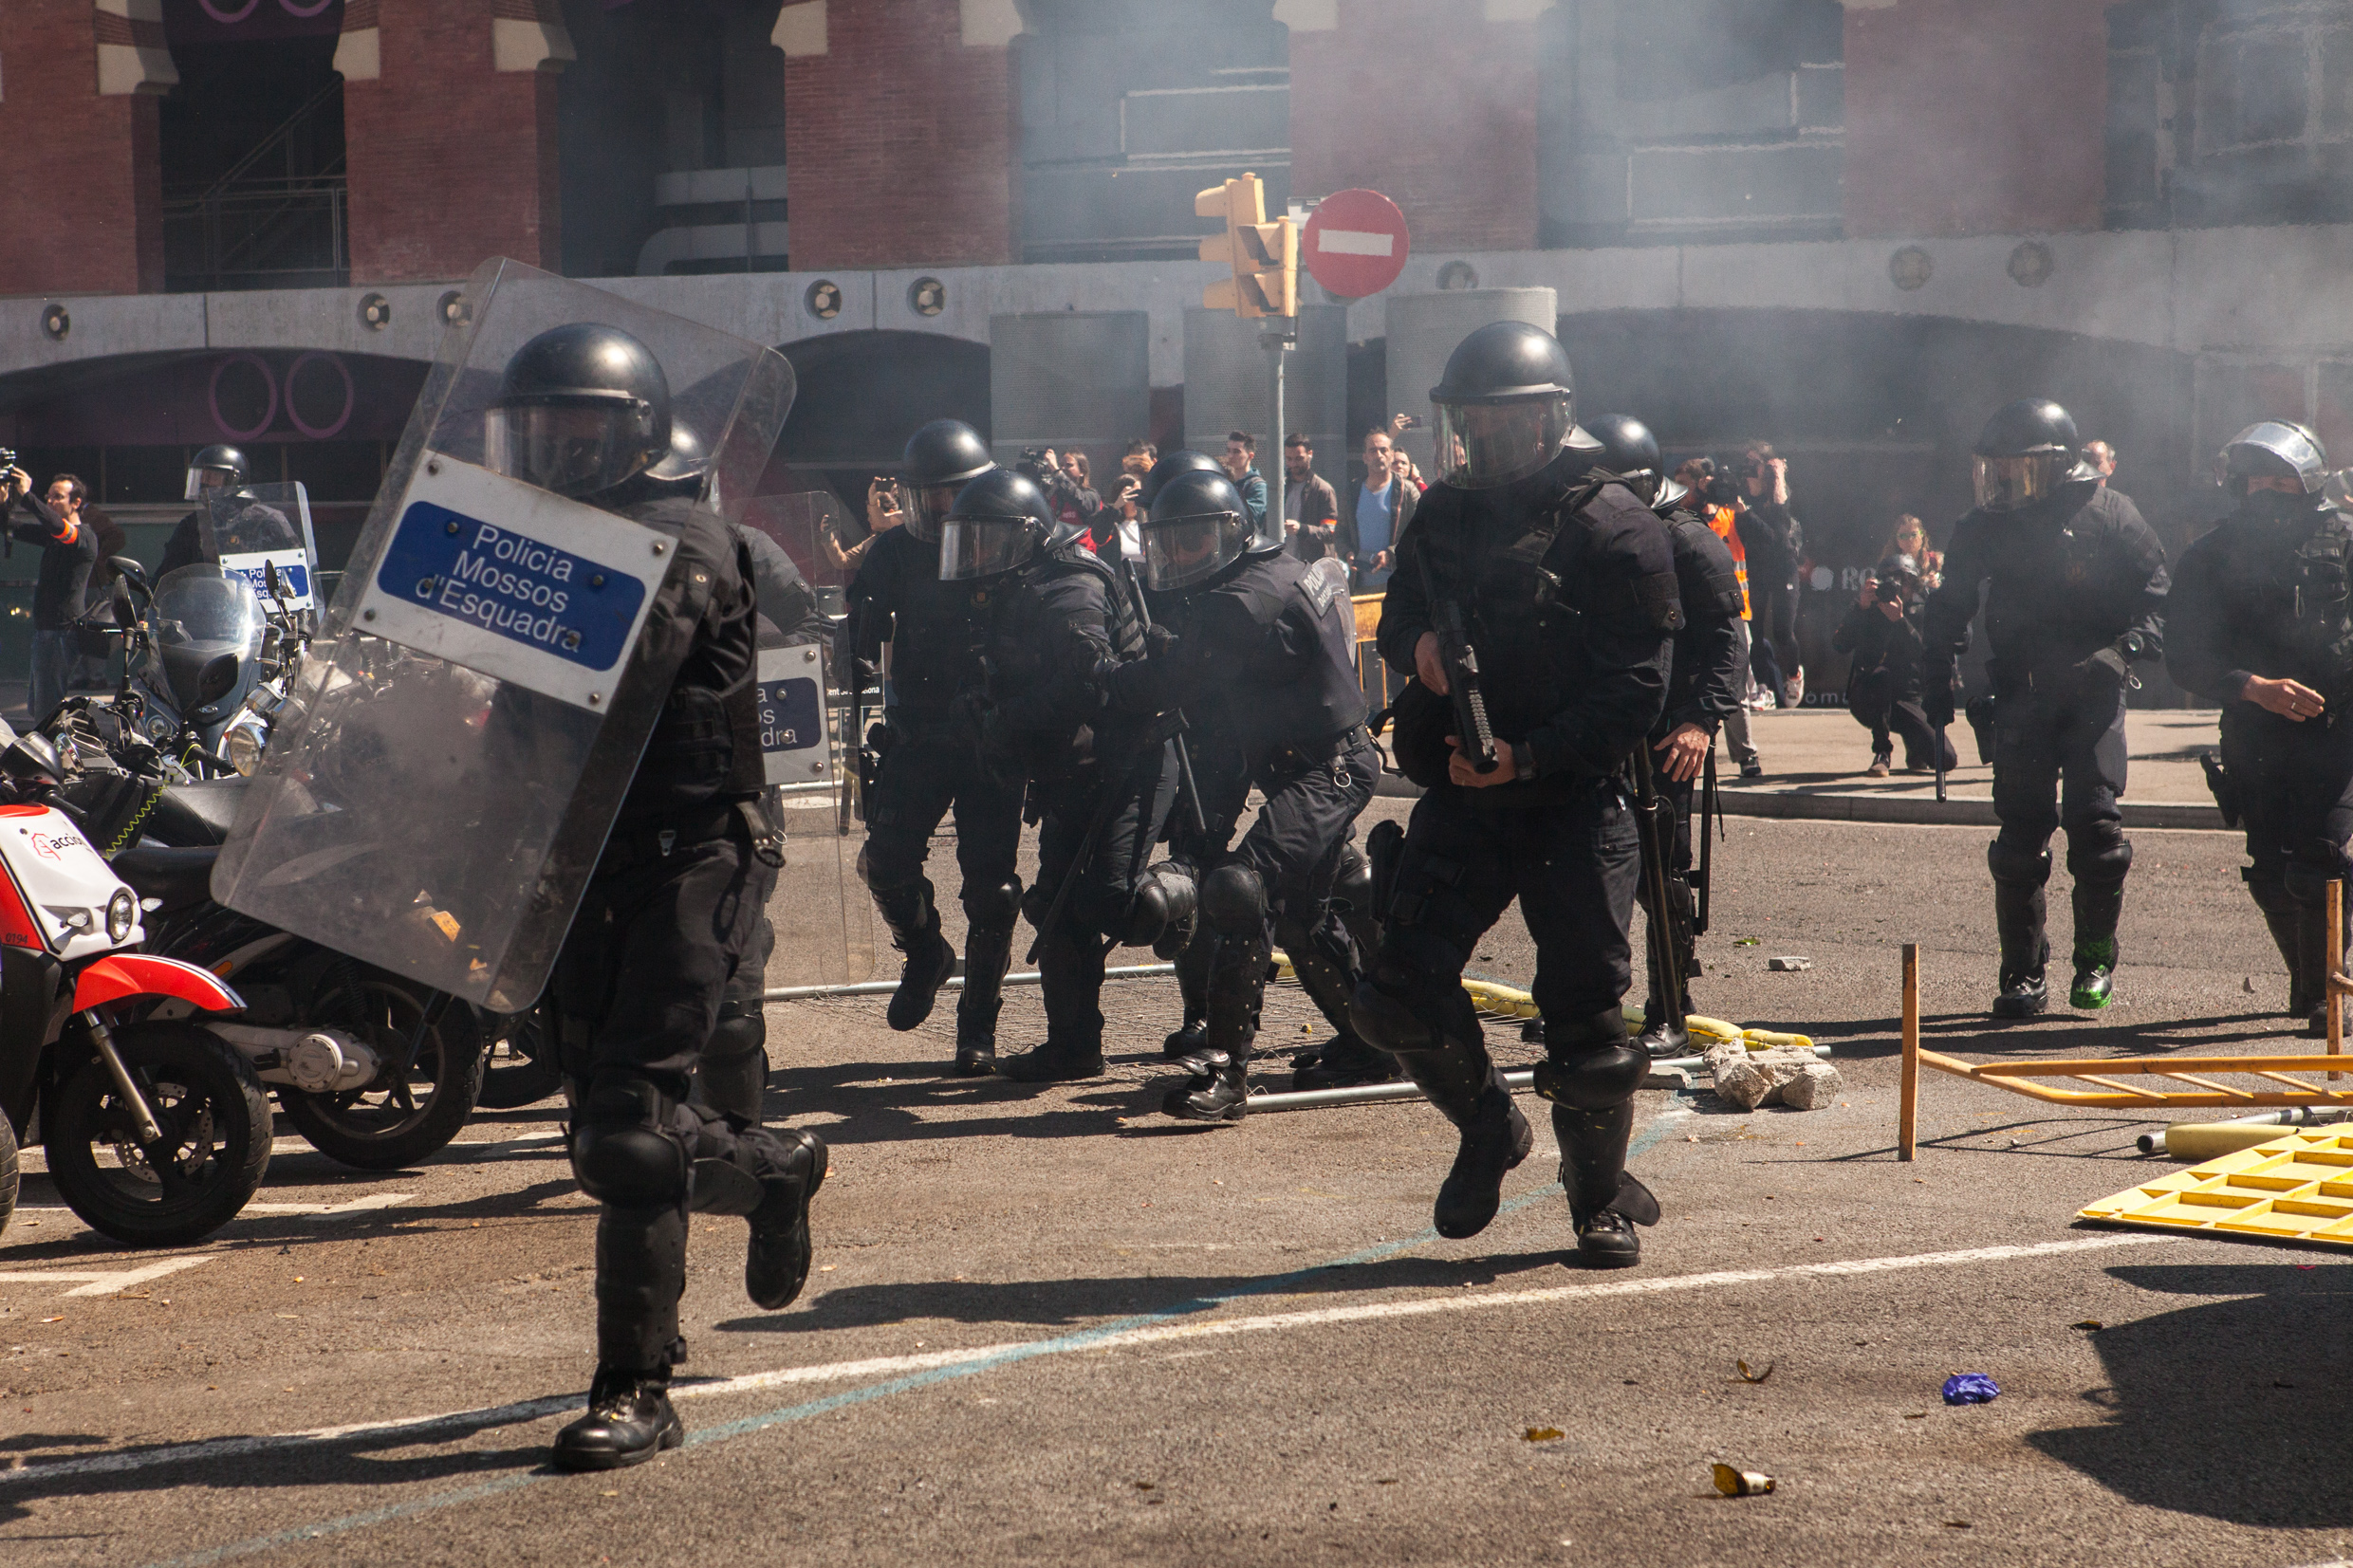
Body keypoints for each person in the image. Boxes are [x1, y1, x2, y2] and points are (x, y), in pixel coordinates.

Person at [476, 323, 823, 1471]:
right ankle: (775, 1171)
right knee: (603, 1134)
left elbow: (640, 632)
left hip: (690, 856)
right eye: (538, 431)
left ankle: (636, 1387)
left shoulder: (684, 538)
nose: (558, 450)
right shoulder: (526, 542)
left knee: (629, 1133)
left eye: (581, 427)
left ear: (634, 437)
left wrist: (496, 594)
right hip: (575, 862)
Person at [1356, 322, 1678, 1269]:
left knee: (1586, 1026)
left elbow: (1635, 690)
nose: (1481, 447)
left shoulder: (1614, 523)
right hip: (1461, 788)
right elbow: (1403, 611)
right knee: (1395, 993)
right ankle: (1489, 1129)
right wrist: (1411, 646)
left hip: (1572, 796)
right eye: (1469, 428)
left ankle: (1594, 1203)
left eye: (1501, 428)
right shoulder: (1444, 510)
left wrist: (1530, 757)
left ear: (1545, 423)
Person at [1100, 464, 1380, 1120]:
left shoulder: (1238, 601)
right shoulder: (1275, 566)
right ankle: (1372, 1042)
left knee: (1239, 888)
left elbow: (1174, 681)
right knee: (1302, 918)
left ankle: (1228, 1074)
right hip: (1310, 760)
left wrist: (1107, 676)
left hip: (1325, 766)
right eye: (1169, 543)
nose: (1178, 557)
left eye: (1192, 541)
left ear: (1232, 531)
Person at [1923, 397, 2168, 1018]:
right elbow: (1950, 607)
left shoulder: (2110, 513)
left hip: (2092, 698)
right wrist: (1936, 681)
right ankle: (2022, 974)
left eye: (2019, 468)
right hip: (2021, 696)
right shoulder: (1983, 524)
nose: (2005, 480)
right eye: (1996, 467)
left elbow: (2162, 595)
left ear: (2056, 466)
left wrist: (2127, 650)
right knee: (2019, 841)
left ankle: (2092, 962)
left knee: (2097, 831)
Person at [940, 469, 1185, 1082]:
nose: (978, 558)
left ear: (1025, 538)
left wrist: (1004, 721)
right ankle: (1075, 1047)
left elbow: (1082, 684)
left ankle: (1198, 888)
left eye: (988, 541)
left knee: (1115, 900)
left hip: (1131, 761)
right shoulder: (1012, 591)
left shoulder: (1069, 586)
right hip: (1073, 774)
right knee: (1055, 908)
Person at [836, 419, 1026, 1076]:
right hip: (918, 727)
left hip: (991, 735)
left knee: (993, 891)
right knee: (884, 860)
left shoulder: (1007, 541)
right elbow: (861, 621)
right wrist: (852, 651)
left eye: (951, 494)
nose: (940, 509)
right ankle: (924, 953)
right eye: (928, 497)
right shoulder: (894, 551)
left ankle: (977, 1028)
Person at [2166, 421, 2352, 1033]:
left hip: (2338, 729)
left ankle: (2332, 989)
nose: (2269, 492)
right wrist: (2253, 688)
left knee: (2324, 860)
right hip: (2257, 734)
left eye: (2283, 479)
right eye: (2257, 481)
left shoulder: (2347, 539)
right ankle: (2308, 980)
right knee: (2273, 871)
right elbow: (2185, 655)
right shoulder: (2211, 554)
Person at [1589, 414, 1745, 1060]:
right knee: (1595, 864)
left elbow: (1726, 642)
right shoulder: (1597, 535)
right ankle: (1591, 1002)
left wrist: (1701, 721)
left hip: (1668, 734)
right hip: (1608, 724)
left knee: (1662, 873)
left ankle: (1671, 1007)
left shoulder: (1689, 542)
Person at [1833, 555, 1955, 777]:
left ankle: (1914, 744)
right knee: (1882, 676)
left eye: (1905, 580)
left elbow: (1925, 654)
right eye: (1892, 579)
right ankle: (1882, 753)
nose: (1899, 586)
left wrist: (1900, 621)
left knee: (1945, 759)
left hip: (1907, 699)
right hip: (1868, 696)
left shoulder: (1921, 610)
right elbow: (1840, 644)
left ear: (1914, 584)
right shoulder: (1866, 607)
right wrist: (1860, 608)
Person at [1678, 458, 1763, 780]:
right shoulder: (1683, 519)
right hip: (1691, 616)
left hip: (1734, 615)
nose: (1682, 490)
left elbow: (1769, 541)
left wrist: (1741, 507)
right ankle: (1688, 754)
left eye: (1687, 482)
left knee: (1734, 690)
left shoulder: (1731, 515)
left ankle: (1746, 756)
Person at [0, 468, 100, 723]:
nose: (50, 502)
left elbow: (59, 528)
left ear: (76, 503)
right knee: (39, 708)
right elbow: (12, 527)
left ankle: (55, 760)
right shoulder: (54, 537)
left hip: (61, 634)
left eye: (58, 497)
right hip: (45, 633)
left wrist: (27, 497)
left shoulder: (83, 537)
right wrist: (3, 503)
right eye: (48, 497)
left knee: (47, 712)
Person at [1733, 443, 1805, 710]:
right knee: (1754, 630)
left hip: (1783, 566)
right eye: (1748, 461)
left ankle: (1794, 675)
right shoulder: (1743, 493)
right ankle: (1764, 688)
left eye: (1756, 462)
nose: (1750, 468)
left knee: (1783, 631)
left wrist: (1777, 478)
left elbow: (1778, 533)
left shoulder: (1781, 494)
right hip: (1756, 567)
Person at [157, 445, 247, 579]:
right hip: (204, 597)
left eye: (212, 477)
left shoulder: (263, 520)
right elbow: (167, 574)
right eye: (201, 477)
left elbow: (284, 569)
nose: (204, 484)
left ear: (234, 480)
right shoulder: (191, 525)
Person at [1347, 427, 1419, 591]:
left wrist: (1390, 554)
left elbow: (1420, 532)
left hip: (1399, 584)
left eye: (1383, 450)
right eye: (1373, 451)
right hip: (1359, 585)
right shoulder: (1353, 491)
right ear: (1365, 457)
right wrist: (1347, 553)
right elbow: (1341, 532)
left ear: (1391, 455)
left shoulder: (1407, 491)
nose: (1379, 455)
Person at [1280, 434, 1342, 563]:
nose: (1293, 464)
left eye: (1298, 459)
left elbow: (1329, 532)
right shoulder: (1281, 487)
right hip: (1283, 565)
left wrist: (1301, 529)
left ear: (1310, 454)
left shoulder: (1323, 490)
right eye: (1289, 459)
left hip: (1310, 568)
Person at [1222, 431, 1269, 537]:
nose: (1230, 456)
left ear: (1250, 456)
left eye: (1236, 452)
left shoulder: (1258, 486)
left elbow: (1251, 516)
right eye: (1228, 451)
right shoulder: (1226, 480)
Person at [1884, 514, 1944, 590]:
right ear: (1897, 540)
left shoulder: (1936, 561)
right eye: (1903, 536)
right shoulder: (1889, 566)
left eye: (1913, 534)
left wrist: (1937, 586)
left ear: (1922, 535)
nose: (1909, 539)